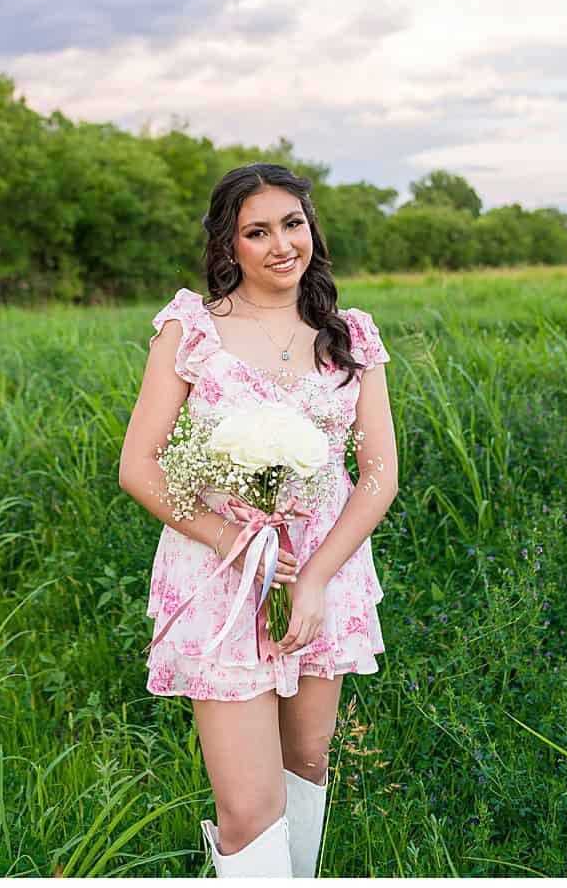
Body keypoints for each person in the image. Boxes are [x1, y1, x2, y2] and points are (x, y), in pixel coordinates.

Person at [119, 163, 399, 875]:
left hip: (322, 571)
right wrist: (235, 544)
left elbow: (377, 476)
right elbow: (141, 466)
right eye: (257, 231)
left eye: (293, 224)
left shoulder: (351, 337)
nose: (282, 244)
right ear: (229, 244)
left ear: (313, 229)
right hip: (220, 573)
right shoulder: (191, 331)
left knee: (306, 761)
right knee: (250, 809)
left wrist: (313, 582)